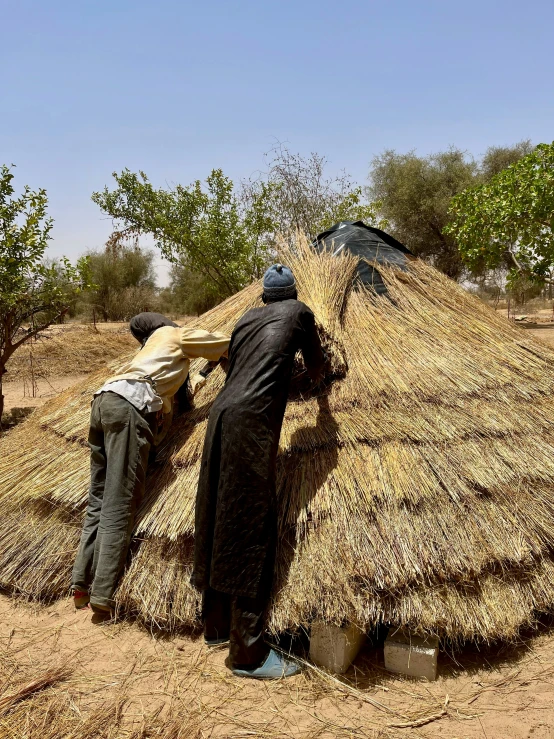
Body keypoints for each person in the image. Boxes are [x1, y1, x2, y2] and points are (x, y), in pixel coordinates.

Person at [193, 264, 326, 679]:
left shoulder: (245, 319)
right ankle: (246, 654)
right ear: (292, 293)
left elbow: (235, 367)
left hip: (221, 415)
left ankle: (215, 626)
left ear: (264, 297)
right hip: (252, 422)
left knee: (216, 513)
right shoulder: (300, 313)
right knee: (250, 527)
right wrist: (320, 387)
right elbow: (318, 363)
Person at [72, 312, 230, 617]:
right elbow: (226, 343)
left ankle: (81, 584)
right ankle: (102, 593)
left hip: (104, 401)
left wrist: (198, 376)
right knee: (121, 500)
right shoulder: (175, 335)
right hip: (130, 408)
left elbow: (173, 396)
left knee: (99, 498)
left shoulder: (148, 353)